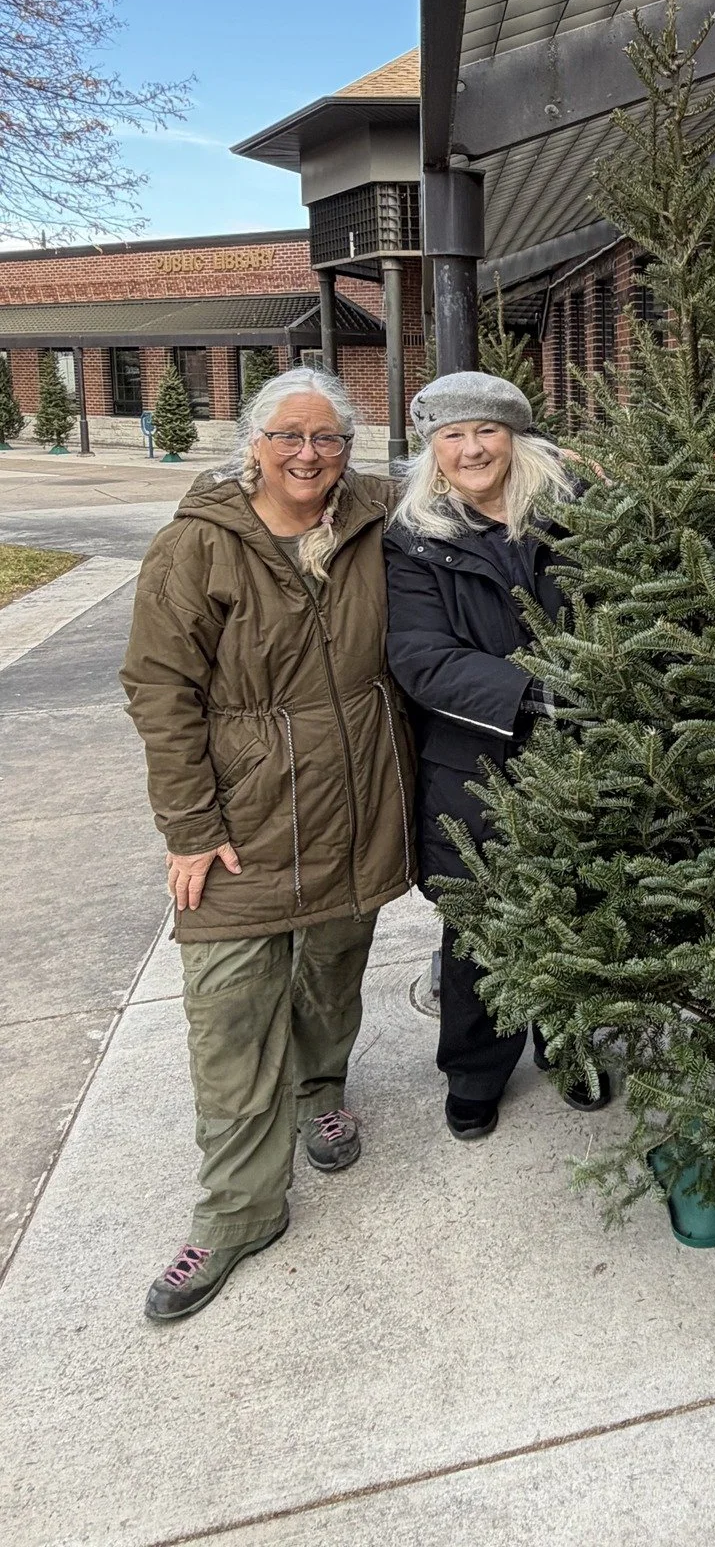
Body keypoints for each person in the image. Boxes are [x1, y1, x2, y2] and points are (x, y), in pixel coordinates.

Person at [122, 369, 414, 1321]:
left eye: (328, 438)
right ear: (251, 442)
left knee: (333, 971)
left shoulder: (374, 518)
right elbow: (160, 693)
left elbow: (473, 465)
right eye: (288, 435)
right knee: (231, 1013)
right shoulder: (196, 547)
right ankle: (240, 1208)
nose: (308, 454)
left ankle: (320, 1088)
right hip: (244, 818)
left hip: (360, 800)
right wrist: (192, 828)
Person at [384, 371, 611, 1140]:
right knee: (480, 924)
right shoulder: (416, 539)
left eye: (487, 430)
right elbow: (421, 656)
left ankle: (570, 1044)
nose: (472, 447)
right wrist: (534, 695)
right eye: (453, 434)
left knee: (579, 907)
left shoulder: (576, 516)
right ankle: (476, 1071)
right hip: (475, 762)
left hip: (579, 759)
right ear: (433, 450)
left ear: (515, 439)